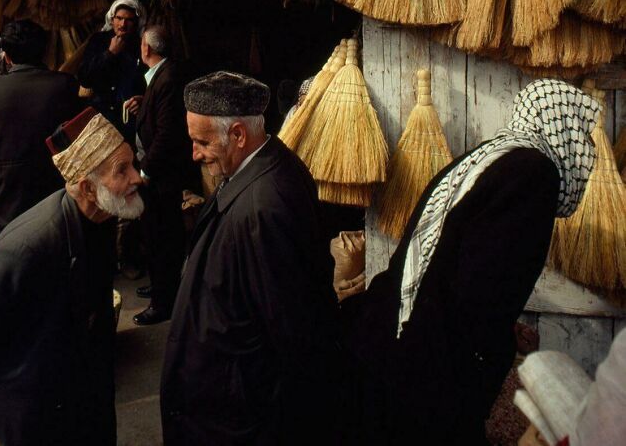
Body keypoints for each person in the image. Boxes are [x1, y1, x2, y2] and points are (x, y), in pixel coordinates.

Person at [341, 78, 602, 446]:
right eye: (583, 134)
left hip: (393, 345)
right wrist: (484, 365)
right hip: (432, 368)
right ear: (561, 124)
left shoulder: (493, 155)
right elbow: (484, 293)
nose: (587, 149)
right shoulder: (534, 171)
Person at [0, 107, 143, 446]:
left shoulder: (101, 218)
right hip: (28, 423)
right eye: (123, 170)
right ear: (88, 187)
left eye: (132, 163)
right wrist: (14, 380)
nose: (137, 177)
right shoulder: (29, 248)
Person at [160, 70, 342, 446]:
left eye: (202, 142)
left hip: (238, 422)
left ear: (239, 135)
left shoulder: (263, 208)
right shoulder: (262, 170)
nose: (194, 153)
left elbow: (291, 334)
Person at [0, 19, 80, 235]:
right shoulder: (65, 86)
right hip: (52, 195)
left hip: (1, 200)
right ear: (44, 52)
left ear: (7, 57)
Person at [129, 23, 191, 326]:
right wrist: (144, 106)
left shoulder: (168, 79)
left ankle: (162, 302)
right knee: (157, 235)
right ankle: (160, 286)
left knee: (161, 237)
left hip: (161, 175)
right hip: (159, 172)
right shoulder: (161, 77)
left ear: (146, 49)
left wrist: (145, 171)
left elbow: (168, 134)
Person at [78, 0, 146, 138]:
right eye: (119, 18)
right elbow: (84, 78)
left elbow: (148, 81)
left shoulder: (142, 46)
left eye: (129, 20)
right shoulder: (98, 41)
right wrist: (110, 54)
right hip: (99, 117)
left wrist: (142, 100)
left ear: (137, 22)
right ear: (112, 19)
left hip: (130, 120)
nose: (123, 24)